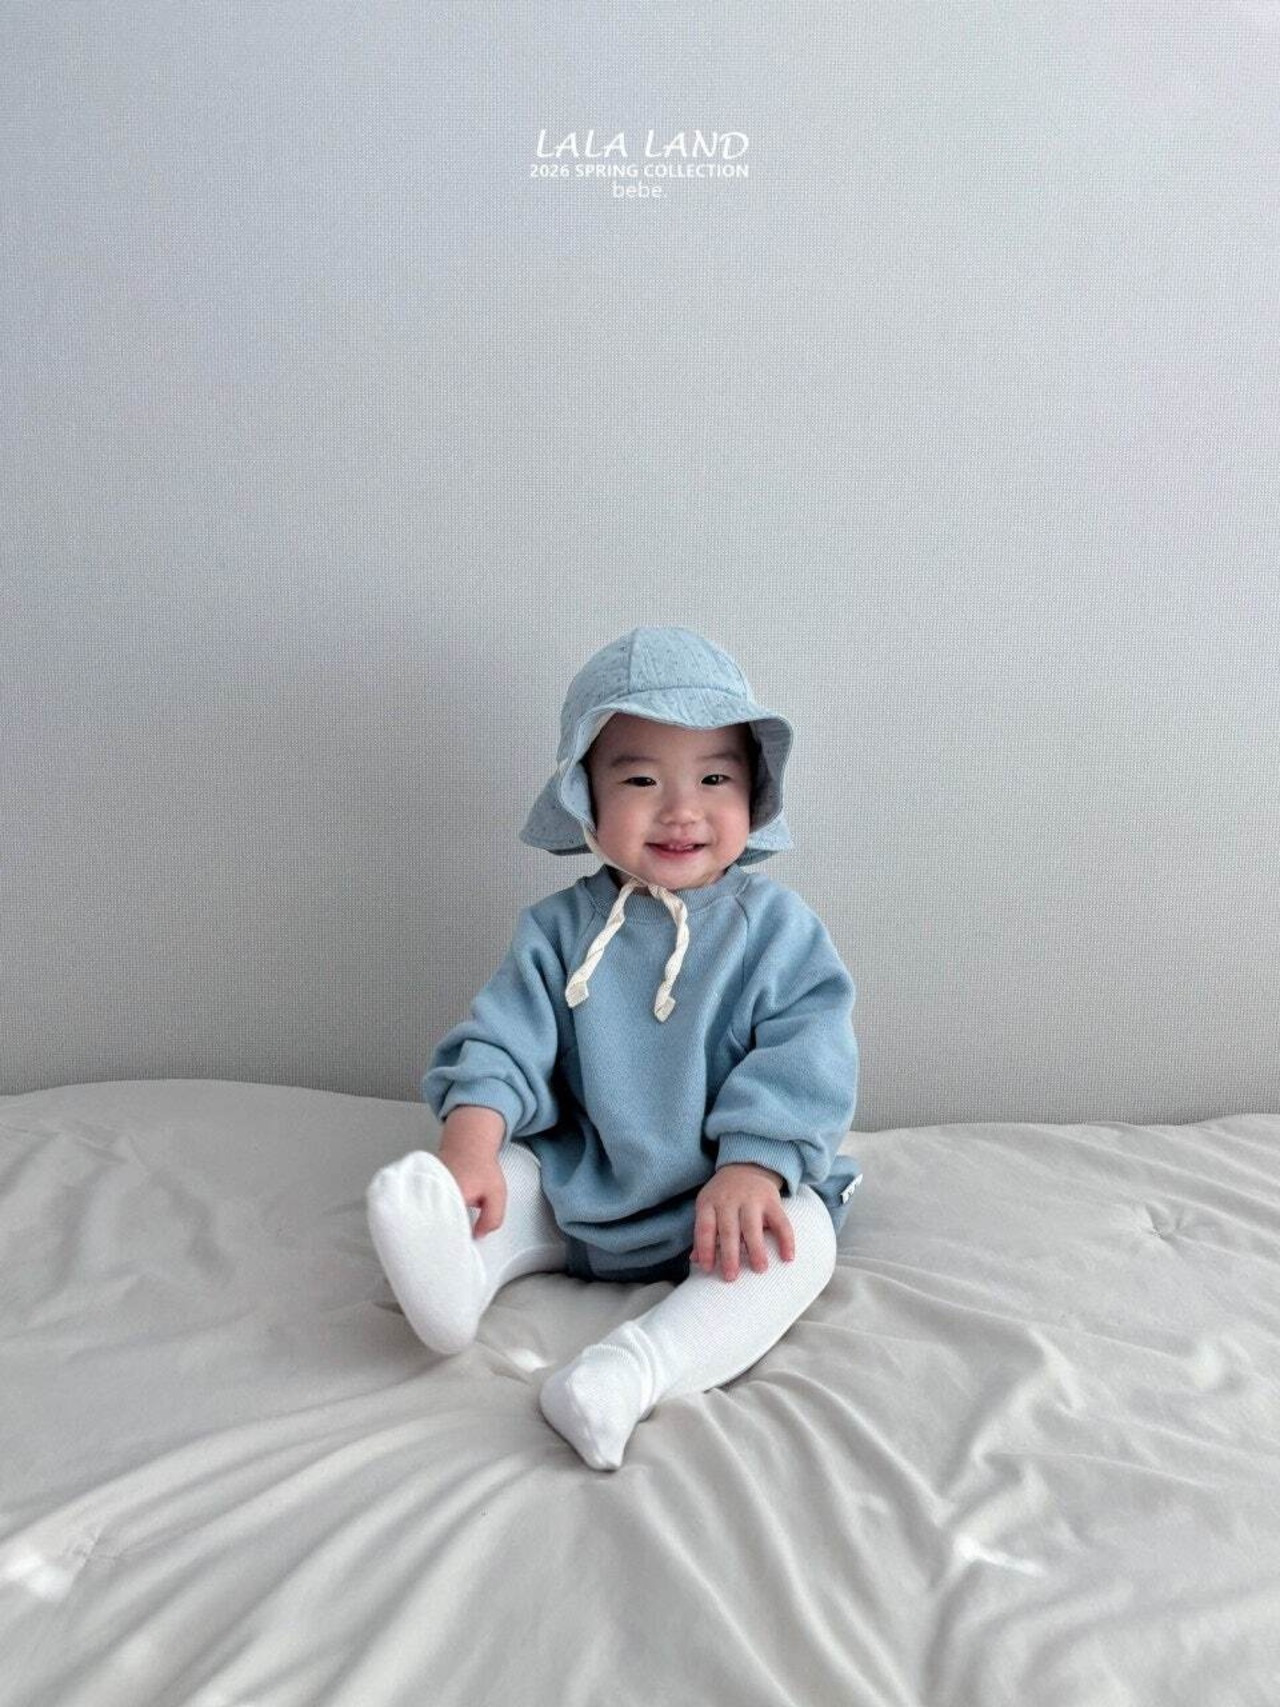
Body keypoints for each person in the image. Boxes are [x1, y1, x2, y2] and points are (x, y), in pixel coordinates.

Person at [367, 625, 860, 1470]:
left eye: (714, 777)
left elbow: (806, 1056)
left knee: (804, 1237)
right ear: (585, 797)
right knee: (505, 1177)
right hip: (580, 1186)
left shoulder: (778, 931)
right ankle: (453, 1279)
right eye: (640, 779)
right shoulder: (558, 930)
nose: (682, 809)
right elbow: (503, 1042)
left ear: (754, 792)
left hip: (719, 1207)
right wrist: (469, 1146)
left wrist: (754, 1166)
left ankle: (627, 1373)